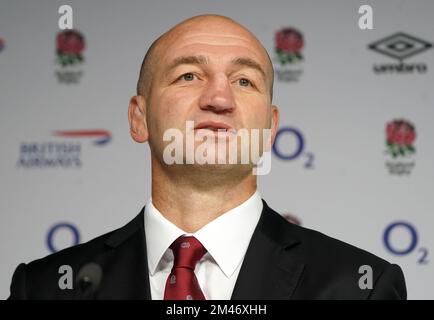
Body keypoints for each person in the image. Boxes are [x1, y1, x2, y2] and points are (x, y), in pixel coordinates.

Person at [8, 14, 406, 300]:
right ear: (139, 118)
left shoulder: (358, 286)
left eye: (244, 81)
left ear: (270, 128)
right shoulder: (44, 288)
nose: (219, 99)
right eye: (189, 76)